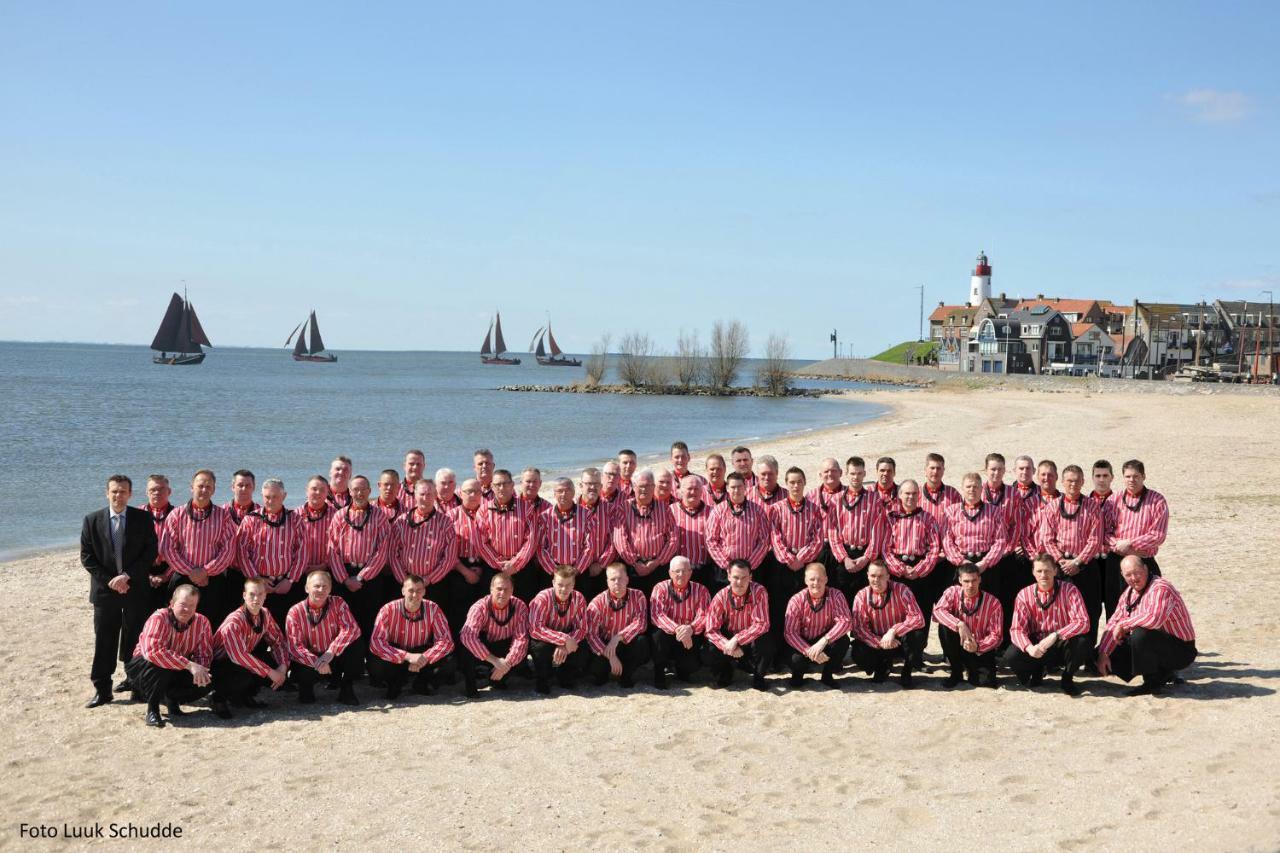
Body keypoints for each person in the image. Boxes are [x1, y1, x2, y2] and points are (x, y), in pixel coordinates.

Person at [81, 474, 159, 707]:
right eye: (114, 491)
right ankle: (103, 690)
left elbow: (149, 552)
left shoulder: (143, 518)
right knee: (105, 640)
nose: (118, 495)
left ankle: (136, 684)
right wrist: (112, 581)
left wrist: (127, 576)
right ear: (107, 493)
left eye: (123, 491)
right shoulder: (92, 520)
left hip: (135, 588)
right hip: (105, 592)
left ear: (130, 494)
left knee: (135, 638)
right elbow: (87, 557)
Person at [1096, 555, 1195, 695]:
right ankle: (1164, 672)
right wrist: (1103, 653)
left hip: (1181, 650)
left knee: (1140, 632)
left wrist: (1125, 624)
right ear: (1122, 575)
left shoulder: (1161, 587)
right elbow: (1114, 621)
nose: (1134, 578)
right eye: (1128, 575)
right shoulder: (1128, 593)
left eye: (1137, 572)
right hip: (1155, 644)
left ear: (1146, 568)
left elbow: (1154, 620)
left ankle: (1152, 682)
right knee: (1102, 659)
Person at [326, 474, 392, 671]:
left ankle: (371, 668)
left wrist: (361, 577)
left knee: (370, 622)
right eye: (355, 489)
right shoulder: (339, 516)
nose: (359, 493)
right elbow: (332, 550)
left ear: (370, 491)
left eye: (363, 489)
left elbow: (382, 550)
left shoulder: (380, 516)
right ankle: (340, 668)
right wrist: (345, 579)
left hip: (369, 576)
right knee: (342, 624)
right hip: (344, 575)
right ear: (349, 491)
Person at [1002, 554, 1092, 695]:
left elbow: (1083, 622)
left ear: (1055, 571)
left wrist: (1056, 635)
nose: (1043, 575)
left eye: (1047, 571)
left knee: (1083, 642)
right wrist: (1030, 648)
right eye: (1039, 571)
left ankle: (1067, 678)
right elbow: (1016, 629)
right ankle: (1036, 671)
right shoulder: (1024, 594)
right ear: (1033, 572)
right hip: (1037, 644)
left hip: (1060, 642)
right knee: (1011, 655)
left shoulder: (1070, 590)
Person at [125, 584, 213, 728]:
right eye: (182, 604)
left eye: (192, 605)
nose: (187, 609)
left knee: (208, 680)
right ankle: (152, 709)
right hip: (144, 666)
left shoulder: (202, 622)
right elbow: (153, 652)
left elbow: (204, 654)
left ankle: (172, 700)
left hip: (177, 665)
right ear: (172, 604)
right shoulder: (158, 618)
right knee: (161, 666)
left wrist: (201, 671)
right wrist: (190, 665)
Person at [1037, 465, 1103, 642]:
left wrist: (1078, 562)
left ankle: (1088, 653)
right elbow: (1047, 538)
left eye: (1076, 480)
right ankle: (1060, 654)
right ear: (1062, 482)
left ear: (1083, 482)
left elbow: (1095, 539)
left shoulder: (1093, 506)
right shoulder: (1052, 507)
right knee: (1059, 609)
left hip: (1085, 565)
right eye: (1069, 481)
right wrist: (1060, 560)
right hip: (1060, 567)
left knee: (1090, 609)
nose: (1073, 484)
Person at [161, 469, 236, 620]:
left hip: (213, 580)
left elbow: (228, 550)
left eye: (208, 487)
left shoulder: (224, 516)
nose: (204, 490)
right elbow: (168, 549)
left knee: (212, 621)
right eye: (200, 485)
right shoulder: (176, 515)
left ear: (213, 490)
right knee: (179, 620)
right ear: (191, 487)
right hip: (183, 576)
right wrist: (192, 572)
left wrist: (205, 571)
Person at [941, 472, 1009, 639]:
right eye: (968, 487)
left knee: (987, 605)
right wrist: (961, 562)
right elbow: (947, 540)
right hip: (960, 563)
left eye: (976, 487)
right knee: (958, 605)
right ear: (962, 489)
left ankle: (987, 644)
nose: (972, 490)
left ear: (982, 489)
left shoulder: (994, 511)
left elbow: (1000, 540)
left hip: (986, 564)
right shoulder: (951, 511)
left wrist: (985, 563)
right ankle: (955, 647)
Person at [209, 577, 289, 718]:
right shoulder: (234, 622)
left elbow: (278, 641)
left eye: (260, 594)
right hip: (220, 664)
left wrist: (282, 667)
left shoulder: (265, 614)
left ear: (265, 595)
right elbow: (238, 656)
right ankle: (218, 699)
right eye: (252, 594)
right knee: (246, 673)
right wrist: (270, 672)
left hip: (242, 660)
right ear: (244, 595)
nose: (256, 598)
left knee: (273, 662)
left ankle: (245, 695)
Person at [768, 466, 825, 661]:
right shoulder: (776, 509)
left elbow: (818, 538)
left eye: (799, 482)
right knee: (780, 609)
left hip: (804, 566)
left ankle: (800, 650)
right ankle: (778, 654)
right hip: (782, 566)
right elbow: (774, 537)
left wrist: (801, 558)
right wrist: (789, 558)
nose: (795, 486)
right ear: (786, 484)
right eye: (791, 482)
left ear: (804, 483)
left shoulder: (814, 509)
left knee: (802, 609)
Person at [367, 574, 455, 699]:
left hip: (421, 654)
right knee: (375, 664)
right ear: (403, 591)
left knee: (450, 663)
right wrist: (407, 657)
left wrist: (423, 658)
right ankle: (394, 683)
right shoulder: (388, 609)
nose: (415, 595)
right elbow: (376, 642)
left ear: (424, 592)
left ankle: (421, 683)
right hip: (397, 656)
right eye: (411, 591)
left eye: (419, 591)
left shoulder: (433, 608)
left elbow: (446, 641)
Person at [882, 479, 943, 655]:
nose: (911, 497)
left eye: (914, 493)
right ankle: (896, 651)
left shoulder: (928, 518)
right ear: (900, 495)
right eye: (907, 493)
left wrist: (918, 570)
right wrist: (900, 569)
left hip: (921, 571)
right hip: (897, 570)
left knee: (921, 612)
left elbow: (934, 548)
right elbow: (885, 549)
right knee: (897, 611)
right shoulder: (890, 519)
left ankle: (917, 653)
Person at [235, 478, 306, 629]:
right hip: (258, 586)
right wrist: (256, 579)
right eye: (267, 497)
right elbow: (241, 552)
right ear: (262, 496)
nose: (271, 500)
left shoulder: (295, 520)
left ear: (284, 496)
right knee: (254, 627)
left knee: (285, 627)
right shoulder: (250, 520)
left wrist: (290, 580)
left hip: (285, 585)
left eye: (275, 497)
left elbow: (302, 552)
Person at [285, 570, 362, 706]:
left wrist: (330, 653)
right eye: (316, 586)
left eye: (325, 586)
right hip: (311, 661)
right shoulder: (295, 611)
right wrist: (318, 661)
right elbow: (295, 646)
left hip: (333, 656)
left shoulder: (339, 603)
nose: (321, 590)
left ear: (330, 589)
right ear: (307, 588)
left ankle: (346, 687)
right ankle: (306, 688)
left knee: (356, 644)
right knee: (300, 666)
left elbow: (351, 629)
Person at [1104, 460, 1169, 619]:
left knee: (1147, 609)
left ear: (1143, 476)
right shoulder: (1114, 500)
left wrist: (1130, 543)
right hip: (1117, 562)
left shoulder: (1157, 501)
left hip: (1144, 561)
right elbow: (1104, 532)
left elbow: (1158, 535)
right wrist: (1119, 546)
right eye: (1127, 476)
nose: (1131, 480)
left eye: (1136, 476)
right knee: (1115, 609)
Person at [849, 561, 927, 687]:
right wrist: (880, 642)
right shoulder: (861, 595)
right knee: (858, 652)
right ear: (867, 575)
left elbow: (918, 618)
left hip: (899, 640)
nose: (876, 580)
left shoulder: (902, 590)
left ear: (888, 576)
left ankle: (907, 670)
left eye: (880, 576)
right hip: (878, 643)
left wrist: (893, 631)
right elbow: (859, 628)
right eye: (873, 576)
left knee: (918, 636)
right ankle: (882, 667)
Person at [704, 560, 772, 690]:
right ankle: (725, 672)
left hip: (750, 638)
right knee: (708, 651)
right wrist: (728, 645)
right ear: (728, 576)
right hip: (728, 639)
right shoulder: (720, 596)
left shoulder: (759, 591)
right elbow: (710, 630)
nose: (739, 582)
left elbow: (762, 624)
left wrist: (737, 639)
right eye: (735, 577)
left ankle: (759, 677)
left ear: (750, 577)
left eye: (744, 578)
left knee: (767, 642)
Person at [825, 456, 888, 597]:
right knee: (843, 597)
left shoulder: (875, 499)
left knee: (866, 598)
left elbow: (878, 532)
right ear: (846, 474)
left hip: (865, 555)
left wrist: (866, 558)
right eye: (853, 473)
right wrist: (844, 558)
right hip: (844, 555)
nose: (856, 477)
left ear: (864, 474)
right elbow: (832, 532)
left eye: (859, 473)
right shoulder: (836, 500)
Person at [458, 573, 529, 697]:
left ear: (512, 590)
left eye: (506, 589)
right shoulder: (479, 607)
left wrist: (506, 664)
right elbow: (467, 636)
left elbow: (521, 639)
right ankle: (470, 685)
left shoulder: (520, 607)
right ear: (491, 589)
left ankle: (498, 678)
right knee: (466, 648)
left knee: (523, 651)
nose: (502, 593)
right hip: (485, 647)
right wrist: (495, 661)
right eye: (499, 589)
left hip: (505, 646)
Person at [933, 563, 1003, 688]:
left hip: (979, 647)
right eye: (966, 581)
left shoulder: (993, 603)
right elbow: (938, 611)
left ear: (980, 579)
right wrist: (959, 624)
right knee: (944, 626)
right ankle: (956, 671)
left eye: (974, 580)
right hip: (958, 643)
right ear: (959, 580)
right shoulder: (952, 592)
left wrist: (978, 647)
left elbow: (996, 635)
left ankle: (972, 669)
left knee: (983, 682)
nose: (970, 585)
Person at [782, 563, 852, 687]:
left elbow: (846, 621)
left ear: (826, 579)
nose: (816, 583)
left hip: (824, 640)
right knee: (796, 660)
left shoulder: (836, 595)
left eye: (820, 579)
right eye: (812, 579)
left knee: (843, 641)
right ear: (805, 580)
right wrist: (809, 651)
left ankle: (827, 675)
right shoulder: (796, 600)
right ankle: (797, 675)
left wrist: (824, 641)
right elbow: (790, 633)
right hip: (803, 642)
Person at [478, 469, 542, 603]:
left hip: (522, 568)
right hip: (494, 567)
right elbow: (481, 542)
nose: (502, 488)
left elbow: (531, 540)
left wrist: (515, 564)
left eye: (505, 484)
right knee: (494, 605)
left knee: (525, 604)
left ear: (512, 485)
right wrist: (500, 564)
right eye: (498, 484)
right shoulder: (483, 510)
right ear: (492, 487)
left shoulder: (526, 508)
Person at [612, 470, 678, 597]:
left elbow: (673, 538)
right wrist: (635, 562)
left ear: (654, 487)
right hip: (632, 568)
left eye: (648, 486)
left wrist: (658, 561)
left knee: (658, 601)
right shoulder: (623, 508)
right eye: (640, 486)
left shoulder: (664, 508)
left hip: (659, 567)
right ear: (634, 487)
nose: (644, 489)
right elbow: (619, 539)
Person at [527, 565, 591, 694]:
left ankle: (565, 674)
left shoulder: (579, 598)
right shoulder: (542, 598)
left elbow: (582, 628)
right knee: (540, 648)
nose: (564, 589)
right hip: (545, 639)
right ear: (553, 583)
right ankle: (542, 678)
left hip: (567, 641)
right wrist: (564, 639)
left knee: (582, 648)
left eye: (568, 585)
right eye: (560, 584)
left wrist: (565, 645)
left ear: (574, 584)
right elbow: (535, 628)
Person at [584, 564, 651, 687]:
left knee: (642, 642)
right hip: (605, 646)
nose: (616, 582)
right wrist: (611, 656)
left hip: (625, 642)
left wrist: (618, 637)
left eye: (620, 578)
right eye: (612, 579)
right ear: (607, 582)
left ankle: (626, 675)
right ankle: (605, 673)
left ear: (627, 579)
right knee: (597, 670)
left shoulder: (638, 596)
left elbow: (641, 623)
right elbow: (591, 635)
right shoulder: (596, 603)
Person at [649, 556, 711, 688]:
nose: (681, 574)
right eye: (677, 571)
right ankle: (659, 672)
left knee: (691, 666)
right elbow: (657, 615)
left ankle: (682, 670)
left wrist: (690, 629)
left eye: (684, 571)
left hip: (690, 635)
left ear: (690, 572)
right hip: (668, 634)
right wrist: (679, 629)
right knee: (657, 635)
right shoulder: (660, 588)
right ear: (670, 573)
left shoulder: (701, 590)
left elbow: (704, 615)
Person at [389, 479, 457, 598]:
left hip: (434, 584)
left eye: (429, 494)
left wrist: (429, 579)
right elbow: (393, 554)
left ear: (435, 495)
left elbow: (449, 557)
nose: (425, 497)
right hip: (405, 583)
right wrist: (404, 580)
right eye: (422, 494)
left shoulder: (445, 522)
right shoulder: (401, 521)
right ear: (415, 494)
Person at [705, 472, 772, 591]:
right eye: (733, 487)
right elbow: (711, 540)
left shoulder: (757, 510)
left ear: (745, 487)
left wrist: (749, 565)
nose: (736, 490)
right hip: (725, 570)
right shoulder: (718, 511)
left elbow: (764, 540)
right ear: (727, 488)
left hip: (752, 569)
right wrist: (728, 565)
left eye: (739, 486)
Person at [447, 478, 490, 635]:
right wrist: (466, 572)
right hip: (458, 569)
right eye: (468, 491)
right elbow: (447, 550)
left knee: (485, 612)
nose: (472, 495)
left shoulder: (489, 513)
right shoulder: (451, 516)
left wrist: (482, 568)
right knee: (460, 614)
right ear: (460, 493)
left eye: (476, 491)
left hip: (486, 566)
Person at [291, 475, 336, 626]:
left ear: (327, 492)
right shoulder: (294, 515)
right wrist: (300, 568)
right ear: (306, 491)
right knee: (300, 614)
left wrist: (324, 565)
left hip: (326, 571)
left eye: (322, 490)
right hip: (299, 573)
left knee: (326, 614)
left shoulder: (336, 515)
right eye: (314, 489)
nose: (317, 493)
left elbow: (339, 546)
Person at [537, 478, 595, 588]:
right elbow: (541, 547)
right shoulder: (545, 517)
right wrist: (554, 570)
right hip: (552, 573)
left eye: (567, 490)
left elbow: (589, 545)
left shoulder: (586, 515)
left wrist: (577, 569)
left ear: (573, 493)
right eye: (559, 491)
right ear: (554, 494)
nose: (563, 494)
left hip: (579, 572)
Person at [576, 467, 616, 600]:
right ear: (581, 485)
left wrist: (601, 564)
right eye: (588, 484)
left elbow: (614, 540)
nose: (592, 487)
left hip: (603, 568)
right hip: (578, 570)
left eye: (596, 484)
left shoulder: (610, 509)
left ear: (601, 486)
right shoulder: (572, 508)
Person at [140, 474, 176, 613]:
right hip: (142, 570)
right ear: (146, 492)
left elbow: (184, 550)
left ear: (169, 491)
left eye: (161, 489)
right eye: (153, 489)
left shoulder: (178, 514)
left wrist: (167, 575)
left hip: (172, 569)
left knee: (169, 614)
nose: (157, 492)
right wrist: (145, 574)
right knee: (141, 615)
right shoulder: (137, 514)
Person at [670, 475, 713, 590]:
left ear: (702, 491)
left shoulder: (713, 512)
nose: (693, 492)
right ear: (681, 491)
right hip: (679, 572)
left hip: (705, 570)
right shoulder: (671, 511)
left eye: (696, 489)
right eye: (689, 489)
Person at [920, 453, 961, 528]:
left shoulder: (953, 494)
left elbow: (961, 520)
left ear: (943, 470)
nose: (935, 471)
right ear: (925, 470)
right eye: (932, 468)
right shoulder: (916, 493)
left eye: (938, 468)